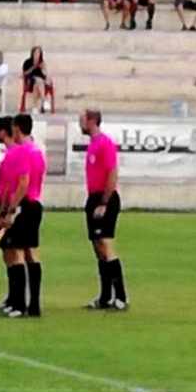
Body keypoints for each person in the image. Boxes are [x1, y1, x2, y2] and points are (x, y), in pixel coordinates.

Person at [0, 115, 46, 318]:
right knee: (31, 253)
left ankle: (18, 304)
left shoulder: (22, 152)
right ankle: (33, 304)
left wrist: (10, 209)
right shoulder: (37, 151)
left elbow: (21, 183)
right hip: (35, 204)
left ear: (17, 129)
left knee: (16, 252)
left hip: (23, 205)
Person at [80, 109, 129, 311]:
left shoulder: (105, 143)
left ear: (92, 121)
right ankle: (105, 296)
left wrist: (104, 202)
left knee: (106, 245)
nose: (80, 124)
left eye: (82, 120)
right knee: (98, 248)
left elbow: (112, 173)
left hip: (104, 198)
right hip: (94, 198)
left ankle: (121, 296)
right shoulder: (92, 144)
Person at [0, 116, 17, 313]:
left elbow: (10, 186)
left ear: (3, 132)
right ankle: (12, 297)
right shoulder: (9, 154)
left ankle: (16, 299)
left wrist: (3, 212)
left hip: (9, 209)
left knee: (13, 253)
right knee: (8, 254)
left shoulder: (12, 155)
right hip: (6, 206)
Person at [22, 46, 52, 114]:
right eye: (36, 52)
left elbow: (45, 74)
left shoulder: (42, 62)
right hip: (30, 81)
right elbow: (25, 73)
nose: (37, 54)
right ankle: (44, 101)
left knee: (37, 84)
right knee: (38, 81)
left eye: (39, 52)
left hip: (40, 83)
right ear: (32, 53)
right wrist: (33, 67)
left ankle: (35, 108)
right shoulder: (27, 62)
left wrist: (43, 68)